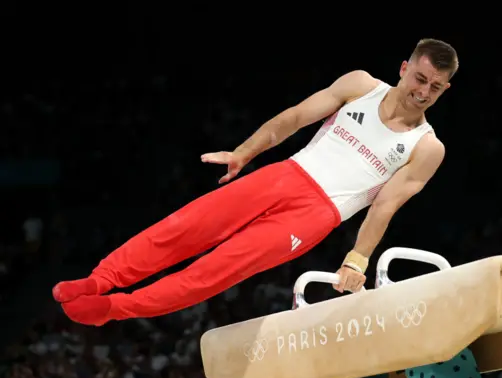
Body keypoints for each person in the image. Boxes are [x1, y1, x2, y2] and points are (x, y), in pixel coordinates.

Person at [53, 38, 458, 326]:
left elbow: (385, 206)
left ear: (445, 90)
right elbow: (296, 116)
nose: (423, 92)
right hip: (284, 174)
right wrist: (245, 151)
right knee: (183, 228)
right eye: (420, 78)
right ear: (404, 68)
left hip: (316, 215)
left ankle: (114, 309)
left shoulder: (425, 147)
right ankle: (98, 280)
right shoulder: (360, 86)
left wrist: (358, 258)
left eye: (435, 87)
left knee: (214, 271)